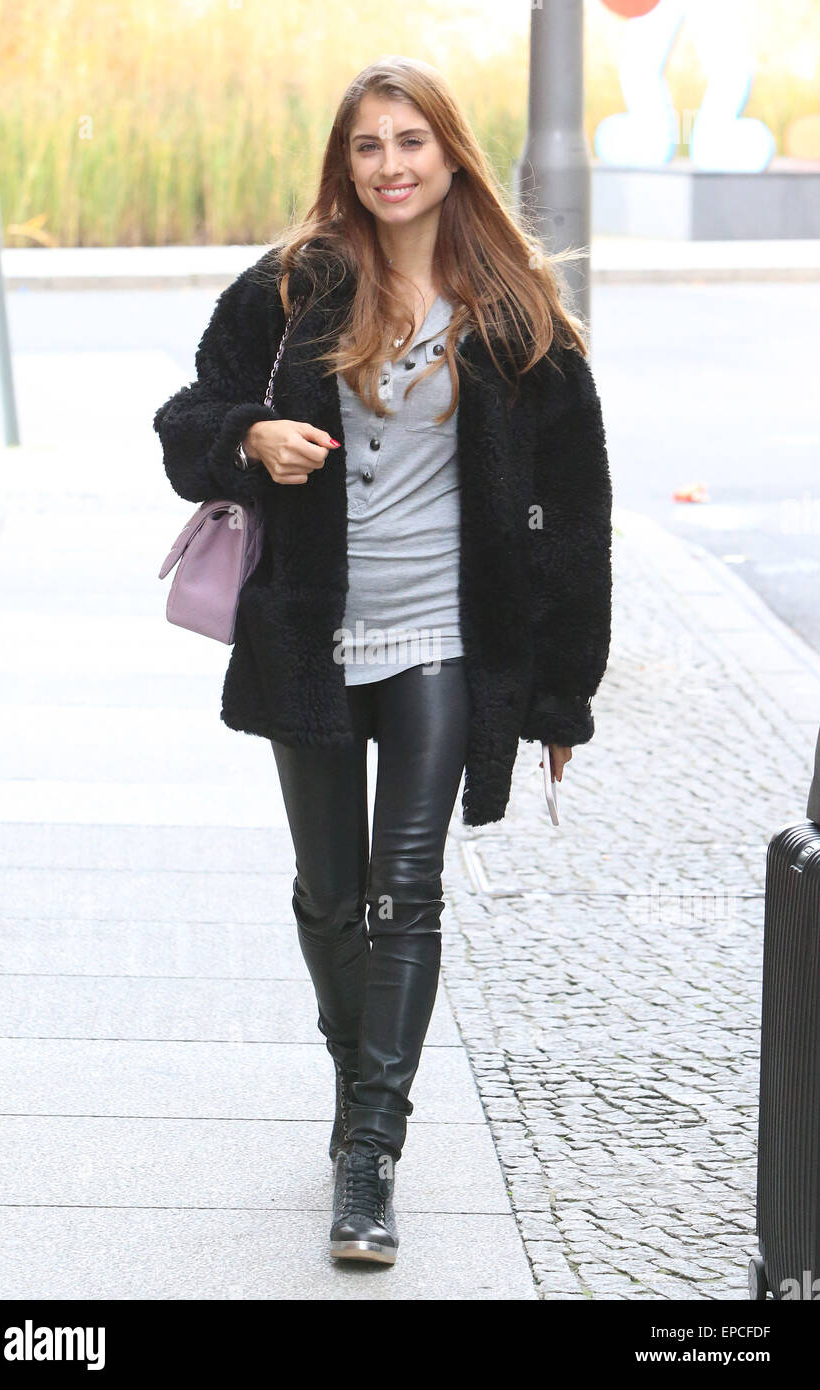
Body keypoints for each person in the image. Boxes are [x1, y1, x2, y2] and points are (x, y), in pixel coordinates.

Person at [153, 55, 613, 1268]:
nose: (392, 164)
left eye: (411, 140)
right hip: (308, 628)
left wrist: (563, 689)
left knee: (406, 891)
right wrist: (250, 435)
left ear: (451, 152)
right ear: (344, 165)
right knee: (329, 891)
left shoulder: (514, 314)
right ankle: (355, 1073)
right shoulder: (293, 286)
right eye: (369, 146)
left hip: (439, 637)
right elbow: (183, 424)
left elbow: (575, 514)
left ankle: (370, 1151)